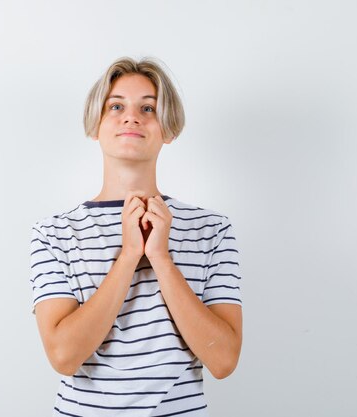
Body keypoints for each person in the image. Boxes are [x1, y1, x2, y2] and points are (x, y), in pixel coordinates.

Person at [29, 56, 243, 417]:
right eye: (116, 106)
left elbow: (223, 361)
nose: (132, 117)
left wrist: (161, 258)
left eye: (149, 108)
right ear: (95, 124)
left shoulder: (212, 230)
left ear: (169, 129)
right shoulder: (53, 234)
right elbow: (64, 356)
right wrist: (129, 255)